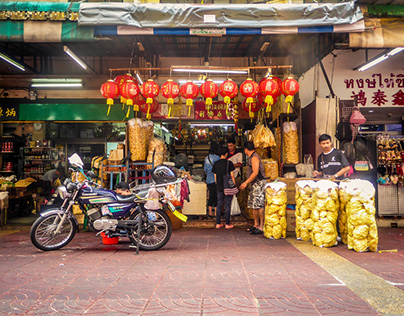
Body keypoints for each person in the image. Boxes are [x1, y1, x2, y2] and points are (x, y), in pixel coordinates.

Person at [239, 141, 267, 235]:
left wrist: (246, 183)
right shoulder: (251, 157)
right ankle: (256, 225)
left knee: (259, 205)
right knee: (254, 205)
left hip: (259, 183)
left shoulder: (254, 157)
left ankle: (261, 226)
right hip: (254, 183)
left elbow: (255, 172)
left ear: (246, 149)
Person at [212, 145, 236, 229]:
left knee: (219, 204)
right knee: (227, 204)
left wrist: (217, 184)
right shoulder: (229, 163)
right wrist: (234, 186)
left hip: (219, 186)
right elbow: (232, 176)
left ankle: (218, 223)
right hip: (228, 186)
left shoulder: (216, 164)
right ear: (226, 154)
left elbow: (215, 177)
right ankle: (227, 224)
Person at [204, 142, 220, 218]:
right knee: (216, 196)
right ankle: (216, 212)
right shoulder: (217, 158)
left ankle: (210, 212)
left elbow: (205, 170)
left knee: (211, 196)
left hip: (209, 180)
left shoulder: (206, 158)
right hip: (216, 180)